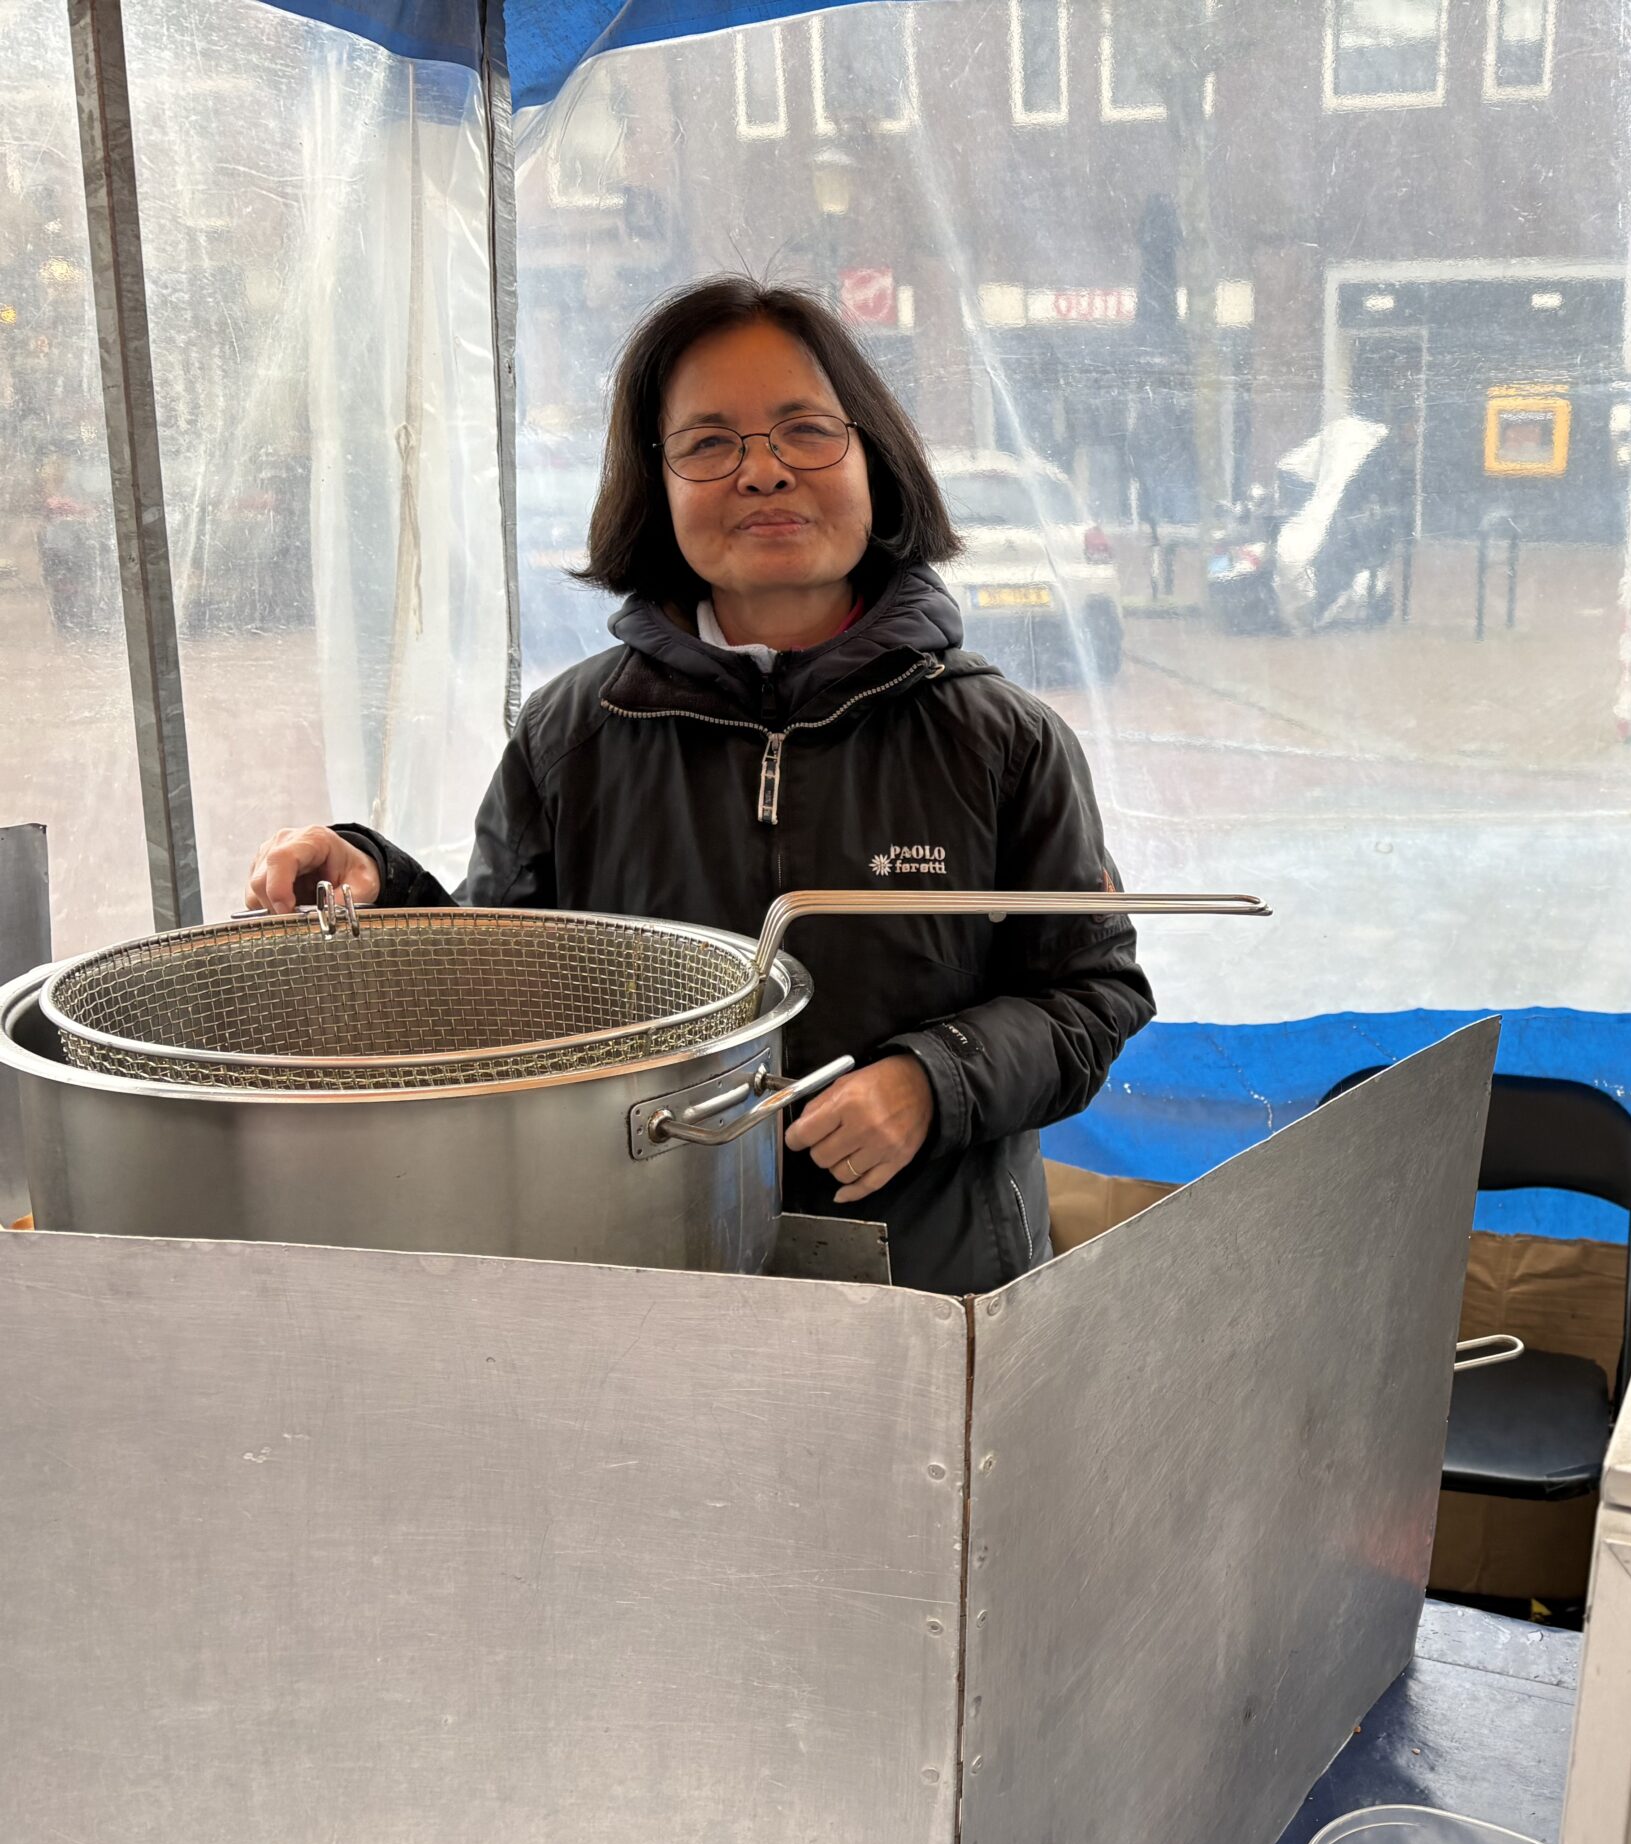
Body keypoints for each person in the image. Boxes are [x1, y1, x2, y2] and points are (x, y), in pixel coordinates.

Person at [245, 276, 1152, 1293]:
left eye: (805, 430)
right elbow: (507, 985)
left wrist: (934, 1081)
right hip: (640, 1273)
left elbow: (1092, 994)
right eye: (709, 442)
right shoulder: (572, 735)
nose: (762, 474)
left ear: (874, 459)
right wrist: (379, 881)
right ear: (655, 482)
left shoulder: (1002, 741)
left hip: (930, 1283)